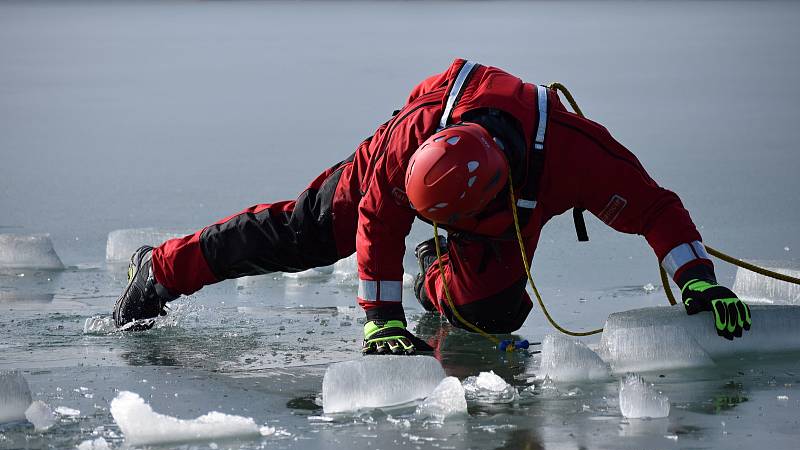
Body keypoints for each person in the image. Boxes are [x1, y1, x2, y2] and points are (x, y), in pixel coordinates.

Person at [113, 58, 751, 352]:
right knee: (306, 235)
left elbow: (656, 209)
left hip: (506, 215)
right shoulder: (408, 145)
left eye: (441, 222)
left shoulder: (573, 157)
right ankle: (165, 267)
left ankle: (437, 274)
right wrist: (379, 321)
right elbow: (375, 223)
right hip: (405, 166)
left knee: (496, 310)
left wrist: (701, 285)